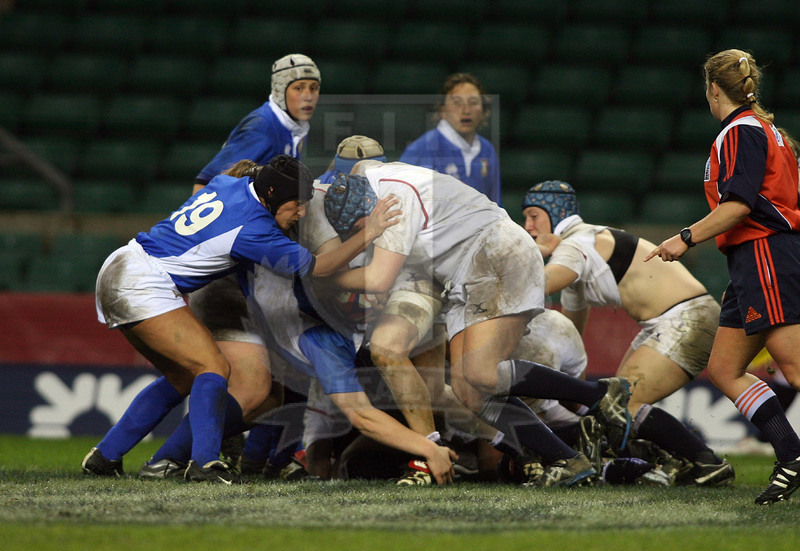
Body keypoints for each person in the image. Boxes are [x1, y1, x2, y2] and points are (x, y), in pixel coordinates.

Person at [81, 155, 398, 483]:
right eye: (296, 204)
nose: (301, 212)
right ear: (273, 195)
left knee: (182, 377)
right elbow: (319, 268)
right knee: (213, 367)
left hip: (124, 262)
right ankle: (204, 464)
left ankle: (105, 457)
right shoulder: (255, 230)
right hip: (145, 282)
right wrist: (370, 231)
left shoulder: (228, 184)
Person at [322, 161, 634, 487]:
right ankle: (568, 458)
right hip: (467, 269)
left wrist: (323, 277)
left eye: (359, 231)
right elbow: (360, 162)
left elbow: (378, 277)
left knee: (480, 374)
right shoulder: (370, 176)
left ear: (365, 216)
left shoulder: (392, 205)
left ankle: (599, 393)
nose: (364, 240)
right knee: (468, 392)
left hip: (492, 252)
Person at [645, 49, 800, 505]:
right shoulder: (769, 131)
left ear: (713, 90)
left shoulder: (741, 132)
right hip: (756, 262)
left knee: (794, 368)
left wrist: (685, 238)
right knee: (725, 369)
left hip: (765, 256)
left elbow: (738, 206)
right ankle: (791, 455)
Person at [521, 180, 734, 485]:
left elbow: (534, 286)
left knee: (619, 405)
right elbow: (572, 337)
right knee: (613, 408)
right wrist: (574, 393)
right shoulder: (581, 244)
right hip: (675, 319)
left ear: (555, 213)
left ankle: (704, 461)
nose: (527, 226)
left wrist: (525, 253)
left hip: (687, 318)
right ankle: (680, 460)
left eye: (533, 216)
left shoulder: (577, 243)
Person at [186, 53, 321, 477]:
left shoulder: (292, 129)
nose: (308, 95)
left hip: (250, 267)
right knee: (258, 379)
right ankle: (186, 454)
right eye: (299, 87)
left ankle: (256, 458)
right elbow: (208, 185)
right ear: (281, 90)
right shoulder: (264, 125)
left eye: (314, 87)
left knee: (271, 378)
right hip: (230, 270)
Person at [399, 73, 501, 204]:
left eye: (473, 102)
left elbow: (495, 205)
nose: (466, 110)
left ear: (483, 111)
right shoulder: (420, 149)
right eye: (457, 102)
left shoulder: (487, 150)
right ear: (442, 110)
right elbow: (402, 202)